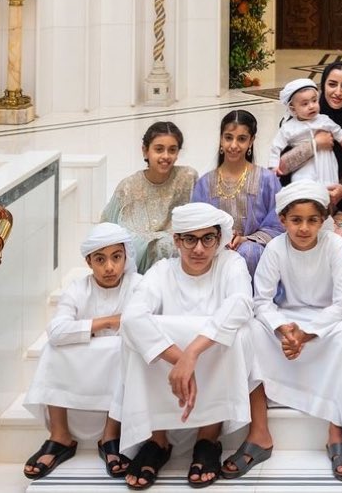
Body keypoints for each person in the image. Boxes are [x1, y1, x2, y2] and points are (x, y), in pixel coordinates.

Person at [117, 203, 255, 490]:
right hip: (174, 360)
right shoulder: (161, 270)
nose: (199, 249)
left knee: (235, 332)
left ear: (219, 239)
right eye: (190, 239)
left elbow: (240, 304)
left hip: (210, 352)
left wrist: (191, 354)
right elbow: (132, 316)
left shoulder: (231, 263)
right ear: (177, 240)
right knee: (135, 334)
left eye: (208, 239)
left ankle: (208, 438)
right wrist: (180, 359)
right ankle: (157, 438)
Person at [235, 182, 342, 482]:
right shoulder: (276, 247)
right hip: (288, 321)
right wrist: (283, 329)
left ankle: (336, 431)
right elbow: (261, 300)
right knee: (249, 331)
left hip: (326, 323)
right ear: (283, 220)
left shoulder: (335, 245)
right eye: (296, 220)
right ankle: (260, 431)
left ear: (323, 220)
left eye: (312, 220)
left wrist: (308, 334)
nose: (304, 228)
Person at [23, 223, 142, 481]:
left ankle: (110, 435)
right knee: (52, 349)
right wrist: (108, 322)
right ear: (89, 261)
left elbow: (142, 326)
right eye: (100, 259)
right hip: (84, 361)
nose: (109, 267)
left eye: (116, 257)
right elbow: (56, 331)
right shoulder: (78, 288)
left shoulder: (138, 285)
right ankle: (60, 435)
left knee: (125, 349)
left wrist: (89, 330)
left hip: (115, 358)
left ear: (125, 257)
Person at [277, 61, 342, 276]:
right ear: (321, 88)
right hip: (299, 207)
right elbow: (282, 173)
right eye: (332, 84)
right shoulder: (294, 124)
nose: (338, 92)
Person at [191, 110, 284, 277]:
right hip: (213, 247)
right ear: (221, 139)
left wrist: (246, 239)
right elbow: (197, 222)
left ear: (251, 141)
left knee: (248, 252)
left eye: (241, 139)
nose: (234, 145)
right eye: (228, 137)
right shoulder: (205, 183)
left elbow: (278, 224)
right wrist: (219, 239)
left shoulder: (267, 180)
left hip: (255, 250)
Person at [101, 121, 198, 273]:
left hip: (179, 262)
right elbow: (106, 227)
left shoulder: (187, 178)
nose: (166, 156)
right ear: (145, 151)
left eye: (172, 150)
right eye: (159, 149)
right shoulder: (128, 187)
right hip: (137, 266)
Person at [270, 78, 342, 186]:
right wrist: (274, 166)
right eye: (305, 104)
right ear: (293, 109)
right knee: (306, 190)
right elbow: (276, 147)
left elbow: (340, 134)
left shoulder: (324, 120)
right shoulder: (288, 127)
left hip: (326, 163)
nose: (311, 106)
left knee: (328, 189)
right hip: (303, 166)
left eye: (314, 100)